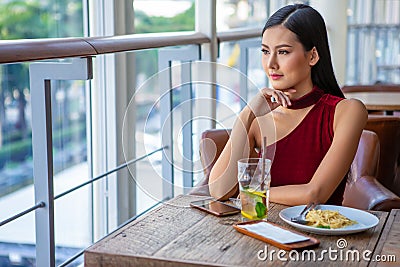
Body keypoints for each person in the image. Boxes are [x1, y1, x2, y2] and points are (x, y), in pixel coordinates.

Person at [208, 4, 367, 206]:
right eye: (265, 51)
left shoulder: (347, 111)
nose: (271, 63)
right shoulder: (259, 120)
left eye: (283, 52)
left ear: (313, 56)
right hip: (260, 232)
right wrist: (248, 113)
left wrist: (250, 193)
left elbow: (314, 195)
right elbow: (219, 190)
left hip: (321, 234)